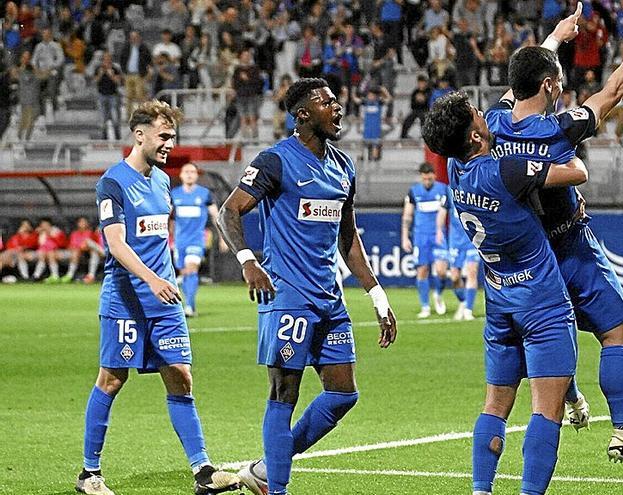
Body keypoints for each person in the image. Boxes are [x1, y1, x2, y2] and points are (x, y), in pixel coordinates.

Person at [485, 7, 623, 468]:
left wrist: (552, 38)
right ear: (550, 86)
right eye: (558, 78)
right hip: (571, 246)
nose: (562, 83)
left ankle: (570, 396)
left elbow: (521, 83)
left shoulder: (494, 122)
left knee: (550, 334)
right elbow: (613, 92)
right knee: (616, 332)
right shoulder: (558, 129)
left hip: (529, 261)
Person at [215, 77, 397, 495]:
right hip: (287, 297)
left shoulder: (343, 166)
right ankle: (276, 487)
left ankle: (264, 470)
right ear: (302, 115)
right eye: (327, 102)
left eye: (336, 100)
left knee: (343, 394)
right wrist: (248, 260)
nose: (338, 108)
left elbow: (348, 238)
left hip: (329, 299)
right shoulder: (275, 161)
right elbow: (229, 212)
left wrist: (376, 293)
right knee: (284, 393)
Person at [422, 90, 587, 495]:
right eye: (478, 114)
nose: (486, 113)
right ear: (476, 136)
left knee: (495, 405)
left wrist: (549, 46)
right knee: (545, 412)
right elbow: (576, 172)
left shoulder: (456, 172)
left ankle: (481, 490)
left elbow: (506, 100)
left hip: (499, 306)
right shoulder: (508, 172)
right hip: (542, 304)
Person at [76, 100, 241, 495]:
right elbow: (115, 244)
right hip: (127, 298)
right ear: (140, 134)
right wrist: (151, 279)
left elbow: (155, 238)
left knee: (181, 377)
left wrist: (163, 277)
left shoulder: (163, 181)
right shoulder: (112, 183)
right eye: (164, 136)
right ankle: (88, 474)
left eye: (173, 137)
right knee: (112, 380)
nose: (170, 144)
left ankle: (203, 472)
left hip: (164, 299)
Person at [401, 162, 450, 318]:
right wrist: (404, 237)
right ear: (421, 177)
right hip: (420, 236)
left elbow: (445, 212)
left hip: (438, 235)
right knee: (422, 271)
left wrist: (439, 231)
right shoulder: (414, 192)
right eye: (425, 179)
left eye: (430, 178)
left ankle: (438, 294)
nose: (427, 181)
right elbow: (407, 215)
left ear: (434, 175)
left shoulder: (443, 189)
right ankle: (425, 307)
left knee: (442, 271)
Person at [171, 163, 219, 317]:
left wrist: (223, 237)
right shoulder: (174, 194)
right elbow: (168, 218)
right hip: (180, 241)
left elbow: (215, 215)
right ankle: (188, 304)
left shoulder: (205, 194)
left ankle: (189, 307)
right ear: (181, 175)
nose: (189, 174)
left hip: (197, 240)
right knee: (185, 272)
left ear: (197, 175)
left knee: (191, 269)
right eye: (186, 171)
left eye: (192, 171)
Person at [436, 197, 479, 321]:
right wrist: (439, 230)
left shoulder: (474, 188)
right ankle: (464, 301)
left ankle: (468, 310)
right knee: (455, 277)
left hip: (473, 239)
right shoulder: (450, 191)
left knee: (472, 272)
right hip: (455, 241)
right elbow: (442, 212)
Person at [63, 216, 105, 283]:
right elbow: (70, 246)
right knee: (91, 252)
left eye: (84, 222)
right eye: (81, 222)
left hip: (93, 251)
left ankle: (103, 253)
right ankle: (90, 276)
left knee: (88, 243)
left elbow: (96, 242)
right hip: (80, 253)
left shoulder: (91, 233)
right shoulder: (74, 233)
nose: (82, 224)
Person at [32, 217, 68, 282]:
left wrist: (49, 234)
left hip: (56, 251)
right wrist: (36, 234)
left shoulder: (56, 231)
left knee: (50, 253)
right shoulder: (39, 232)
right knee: (42, 253)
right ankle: (36, 276)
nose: (44, 226)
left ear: (49, 224)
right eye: (42, 224)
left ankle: (55, 276)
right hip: (42, 252)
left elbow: (61, 243)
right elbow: (34, 244)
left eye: (45, 224)